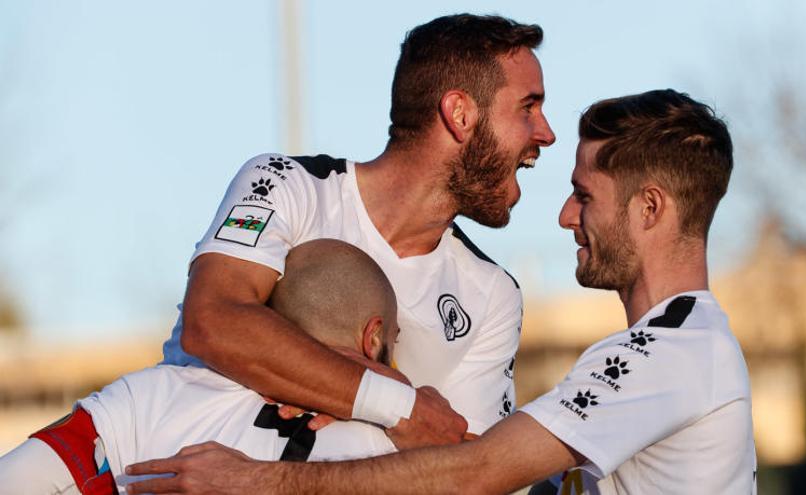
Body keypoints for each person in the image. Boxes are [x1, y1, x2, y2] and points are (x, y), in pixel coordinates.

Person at [126, 89, 757, 495]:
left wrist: (257, 481)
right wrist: (376, 400)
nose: (566, 216)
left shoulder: (670, 353)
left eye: (585, 195)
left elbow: (478, 473)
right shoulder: (670, 349)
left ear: (650, 207)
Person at [157, 13, 555, 452]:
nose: (547, 133)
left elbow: (472, 468)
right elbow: (213, 322)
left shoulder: (494, 295)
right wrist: (395, 402)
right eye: (528, 106)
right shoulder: (283, 183)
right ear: (459, 113)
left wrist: (323, 382)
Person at [0, 239, 405, 494]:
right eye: (394, 342)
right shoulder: (398, 459)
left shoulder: (152, 397)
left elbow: (16, 480)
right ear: (373, 339)